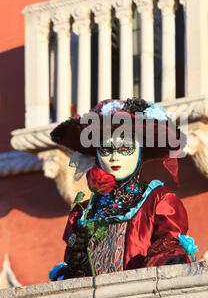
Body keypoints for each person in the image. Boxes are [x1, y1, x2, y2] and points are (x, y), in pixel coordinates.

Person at [49, 98, 198, 281]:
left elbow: (167, 253)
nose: (114, 157)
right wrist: (76, 266)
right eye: (106, 149)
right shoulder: (82, 213)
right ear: (96, 154)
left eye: (125, 148)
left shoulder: (159, 202)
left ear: (139, 150)